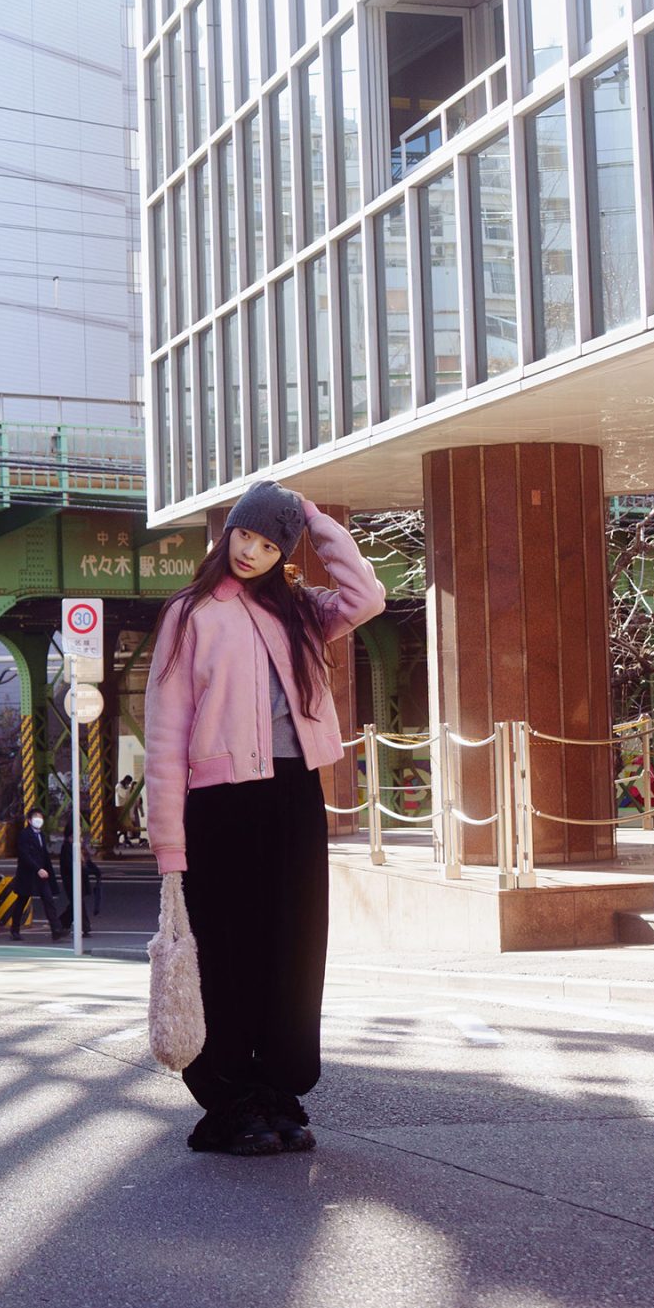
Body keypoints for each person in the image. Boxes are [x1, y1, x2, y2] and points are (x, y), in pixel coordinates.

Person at [144, 480, 385, 1158]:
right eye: (245, 534)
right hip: (220, 805)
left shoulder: (301, 611)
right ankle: (231, 1099)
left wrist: (310, 517)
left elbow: (367, 597)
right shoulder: (190, 613)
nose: (251, 551)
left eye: (270, 543)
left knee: (293, 947)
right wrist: (169, 847)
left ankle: (279, 1090)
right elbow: (166, 733)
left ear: (285, 553)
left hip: (294, 796)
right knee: (228, 955)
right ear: (228, 532)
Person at [7, 809, 65, 941]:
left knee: (48, 900)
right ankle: (14, 929)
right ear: (29, 820)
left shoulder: (41, 835)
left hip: (41, 874)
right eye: (36, 817)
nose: (39, 820)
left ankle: (56, 930)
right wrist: (38, 869)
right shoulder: (24, 835)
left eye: (41, 817)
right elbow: (24, 855)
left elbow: (44, 855)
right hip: (28, 874)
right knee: (22, 900)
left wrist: (46, 870)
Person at [59, 830, 101, 936]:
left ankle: (62, 922)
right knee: (78, 904)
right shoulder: (67, 849)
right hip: (71, 881)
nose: (80, 839)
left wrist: (96, 870)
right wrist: (88, 871)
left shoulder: (80, 848)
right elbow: (71, 866)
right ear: (70, 837)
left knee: (76, 904)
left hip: (81, 880)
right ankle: (85, 927)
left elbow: (87, 861)